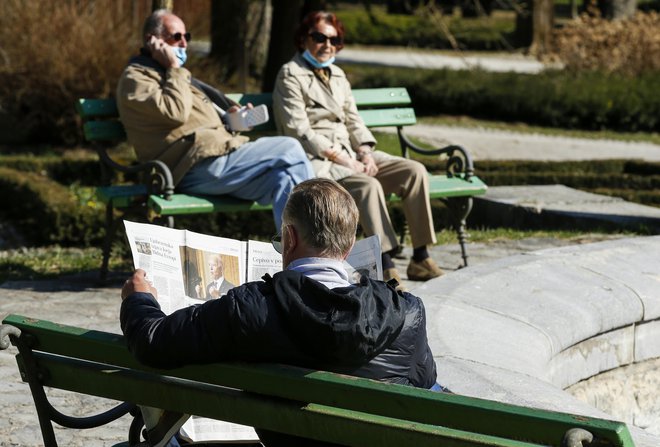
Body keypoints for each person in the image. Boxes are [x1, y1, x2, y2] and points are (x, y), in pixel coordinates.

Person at [121, 178, 445, 447]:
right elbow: (428, 391)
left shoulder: (250, 309)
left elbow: (151, 341)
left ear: (289, 238)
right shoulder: (407, 313)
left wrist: (139, 298)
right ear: (348, 248)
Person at [272, 11, 445, 284]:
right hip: (320, 161)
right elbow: (299, 130)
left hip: (353, 155)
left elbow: (354, 120)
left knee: (414, 171)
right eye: (319, 37)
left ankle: (421, 256)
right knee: (368, 186)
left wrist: (364, 151)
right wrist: (345, 160)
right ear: (304, 39)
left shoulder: (338, 74)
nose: (327, 44)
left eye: (334, 39)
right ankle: (385, 265)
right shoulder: (290, 74)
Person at [116, 9, 314, 231]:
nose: (183, 43)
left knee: (286, 180)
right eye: (176, 36)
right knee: (289, 148)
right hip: (190, 168)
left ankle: (297, 259)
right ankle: (315, 252)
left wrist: (233, 121)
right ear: (152, 40)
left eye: (186, 37)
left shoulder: (176, 78)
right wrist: (174, 68)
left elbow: (198, 123)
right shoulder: (136, 79)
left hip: (214, 160)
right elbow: (176, 113)